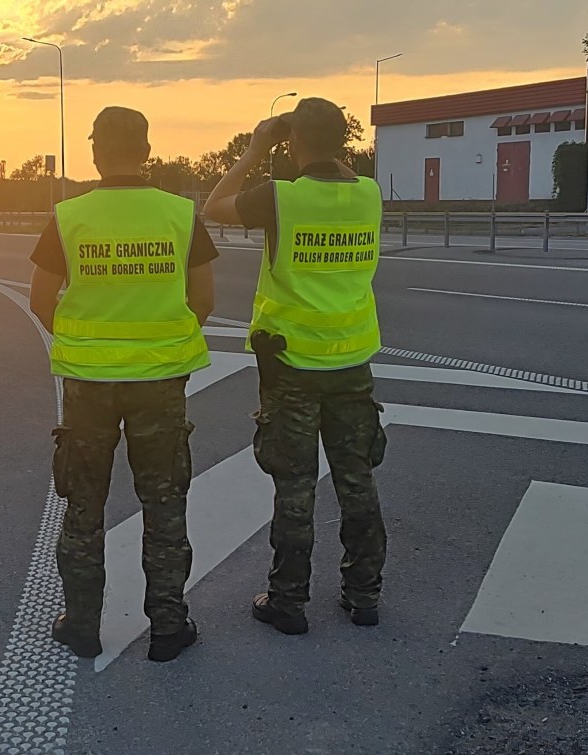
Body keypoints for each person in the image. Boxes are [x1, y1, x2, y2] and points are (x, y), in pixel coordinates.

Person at [29, 106, 218, 662]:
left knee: (84, 505)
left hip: (89, 386)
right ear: (148, 148)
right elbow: (203, 301)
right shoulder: (181, 215)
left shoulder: (70, 216)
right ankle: (167, 626)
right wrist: (158, 347)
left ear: (95, 151)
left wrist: (88, 348)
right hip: (159, 383)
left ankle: (82, 626)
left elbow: (42, 300)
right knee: (164, 503)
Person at [203, 97, 387, 635]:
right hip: (352, 361)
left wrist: (257, 149)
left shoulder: (281, 197)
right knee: (358, 480)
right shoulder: (369, 193)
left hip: (292, 364)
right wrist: (316, 144)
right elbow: (340, 172)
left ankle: (289, 601)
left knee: (295, 485)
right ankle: (364, 595)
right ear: (344, 142)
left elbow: (215, 206)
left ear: (294, 143)